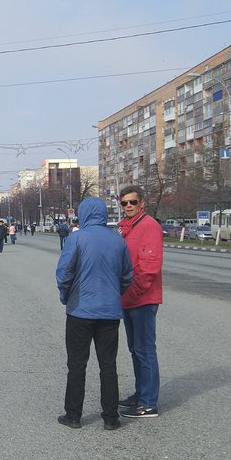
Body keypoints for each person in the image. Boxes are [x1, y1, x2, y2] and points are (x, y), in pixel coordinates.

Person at [55, 197, 133, 431]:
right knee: (108, 364)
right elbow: (127, 275)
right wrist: (113, 294)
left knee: (77, 364)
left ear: (83, 214)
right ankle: (111, 417)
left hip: (80, 310)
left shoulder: (77, 238)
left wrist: (65, 296)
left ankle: (73, 415)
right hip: (109, 312)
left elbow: (65, 273)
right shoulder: (118, 240)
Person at [117, 185, 164, 419]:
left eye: (132, 202)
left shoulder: (148, 226)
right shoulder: (128, 227)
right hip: (129, 300)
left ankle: (148, 403)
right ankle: (140, 394)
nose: (128, 206)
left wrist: (133, 293)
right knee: (135, 350)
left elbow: (149, 268)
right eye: (124, 203)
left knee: (145, 351)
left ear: (142, 203)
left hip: (143, 300)